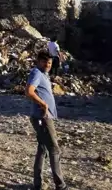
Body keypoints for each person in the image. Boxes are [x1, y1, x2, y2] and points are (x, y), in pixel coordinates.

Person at [25, 50, 67, 190]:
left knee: (42, 148)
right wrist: (42, 104)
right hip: (42, 117)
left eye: (49, 62)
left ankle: (37, 184)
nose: (47, 64)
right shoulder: (37, 73)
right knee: (54, 149)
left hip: (42, 116)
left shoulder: (44, 74)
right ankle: (61, 186)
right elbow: (29, 91)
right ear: (38, 61)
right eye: (45, 62)